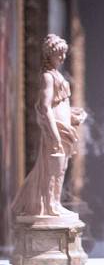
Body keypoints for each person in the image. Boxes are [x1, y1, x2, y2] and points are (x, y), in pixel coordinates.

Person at [12, 34, 87, 220]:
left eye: (63, 54)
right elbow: (45, 107)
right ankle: (50, 205)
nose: (62, 58)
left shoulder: (57, 75)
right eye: (58, 54)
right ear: (49, 55)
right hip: (55, 130)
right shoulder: (47, 77)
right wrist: (53, 133)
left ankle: (55, 203)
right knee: (53, 168)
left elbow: (58, 106)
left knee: (61, 168)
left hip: (64, 129)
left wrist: (72, 115)